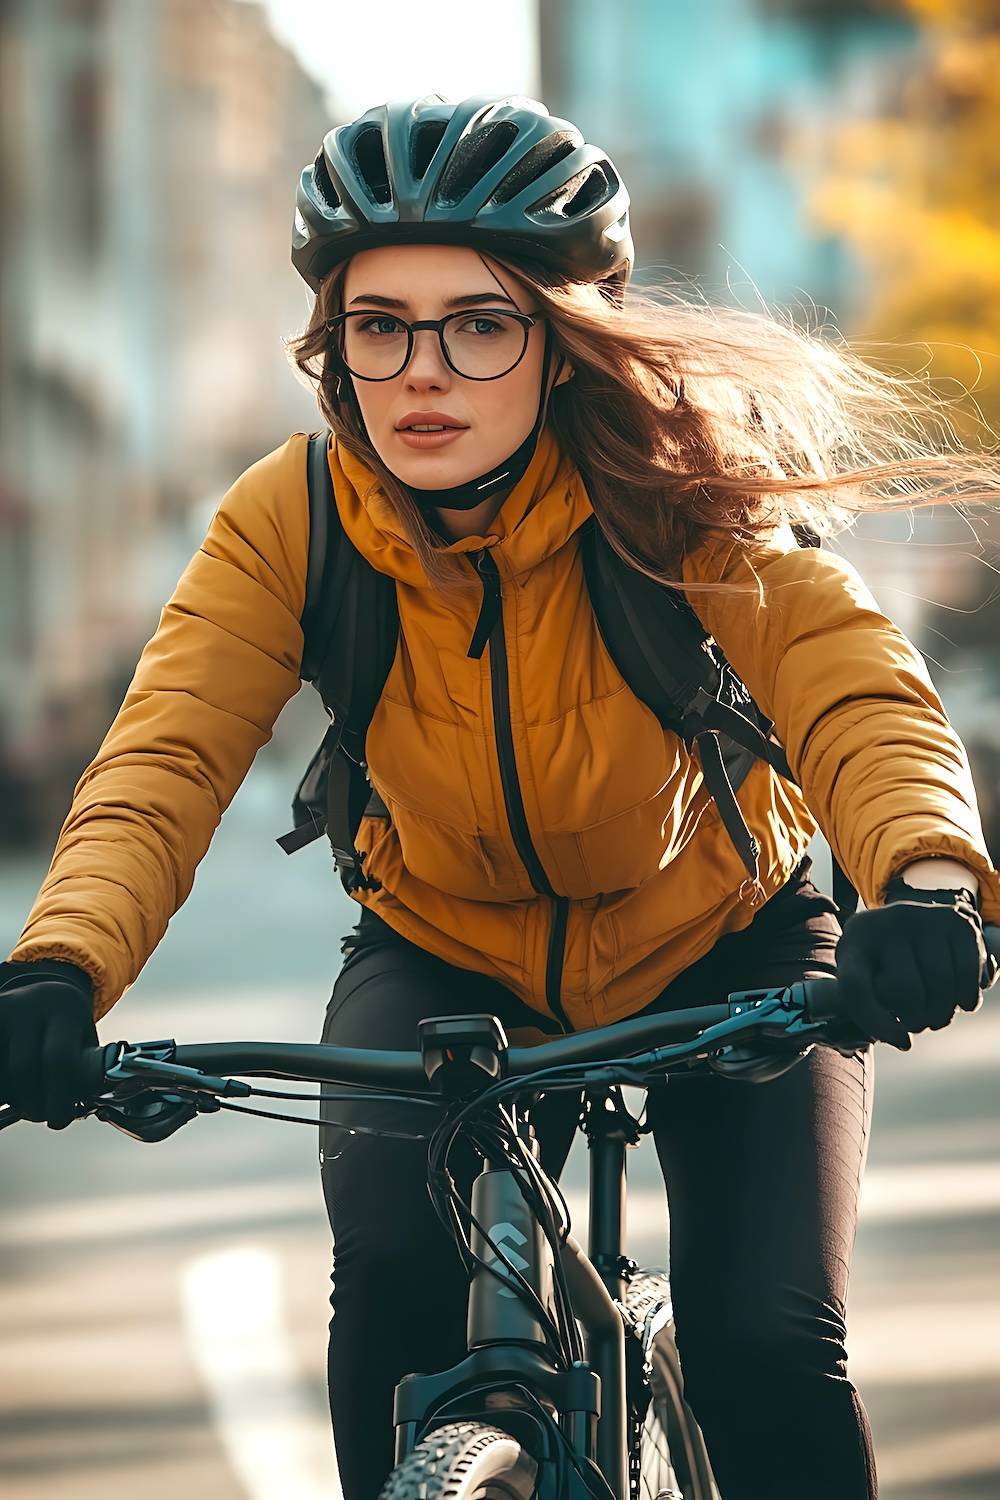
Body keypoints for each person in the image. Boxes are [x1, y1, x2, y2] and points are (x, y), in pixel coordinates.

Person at [1, 94, 998, 1500]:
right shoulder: (290, 521)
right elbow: (164, 757)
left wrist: (924, 881)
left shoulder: (675, 489)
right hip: (444, 956)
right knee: (396, 1297)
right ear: (334, 345)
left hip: (734, 947)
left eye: (479, 323)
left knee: (764, 1343)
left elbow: (849, 684)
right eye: (380, 324)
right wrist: (58, 967)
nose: (424, 372)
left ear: (561, 340)